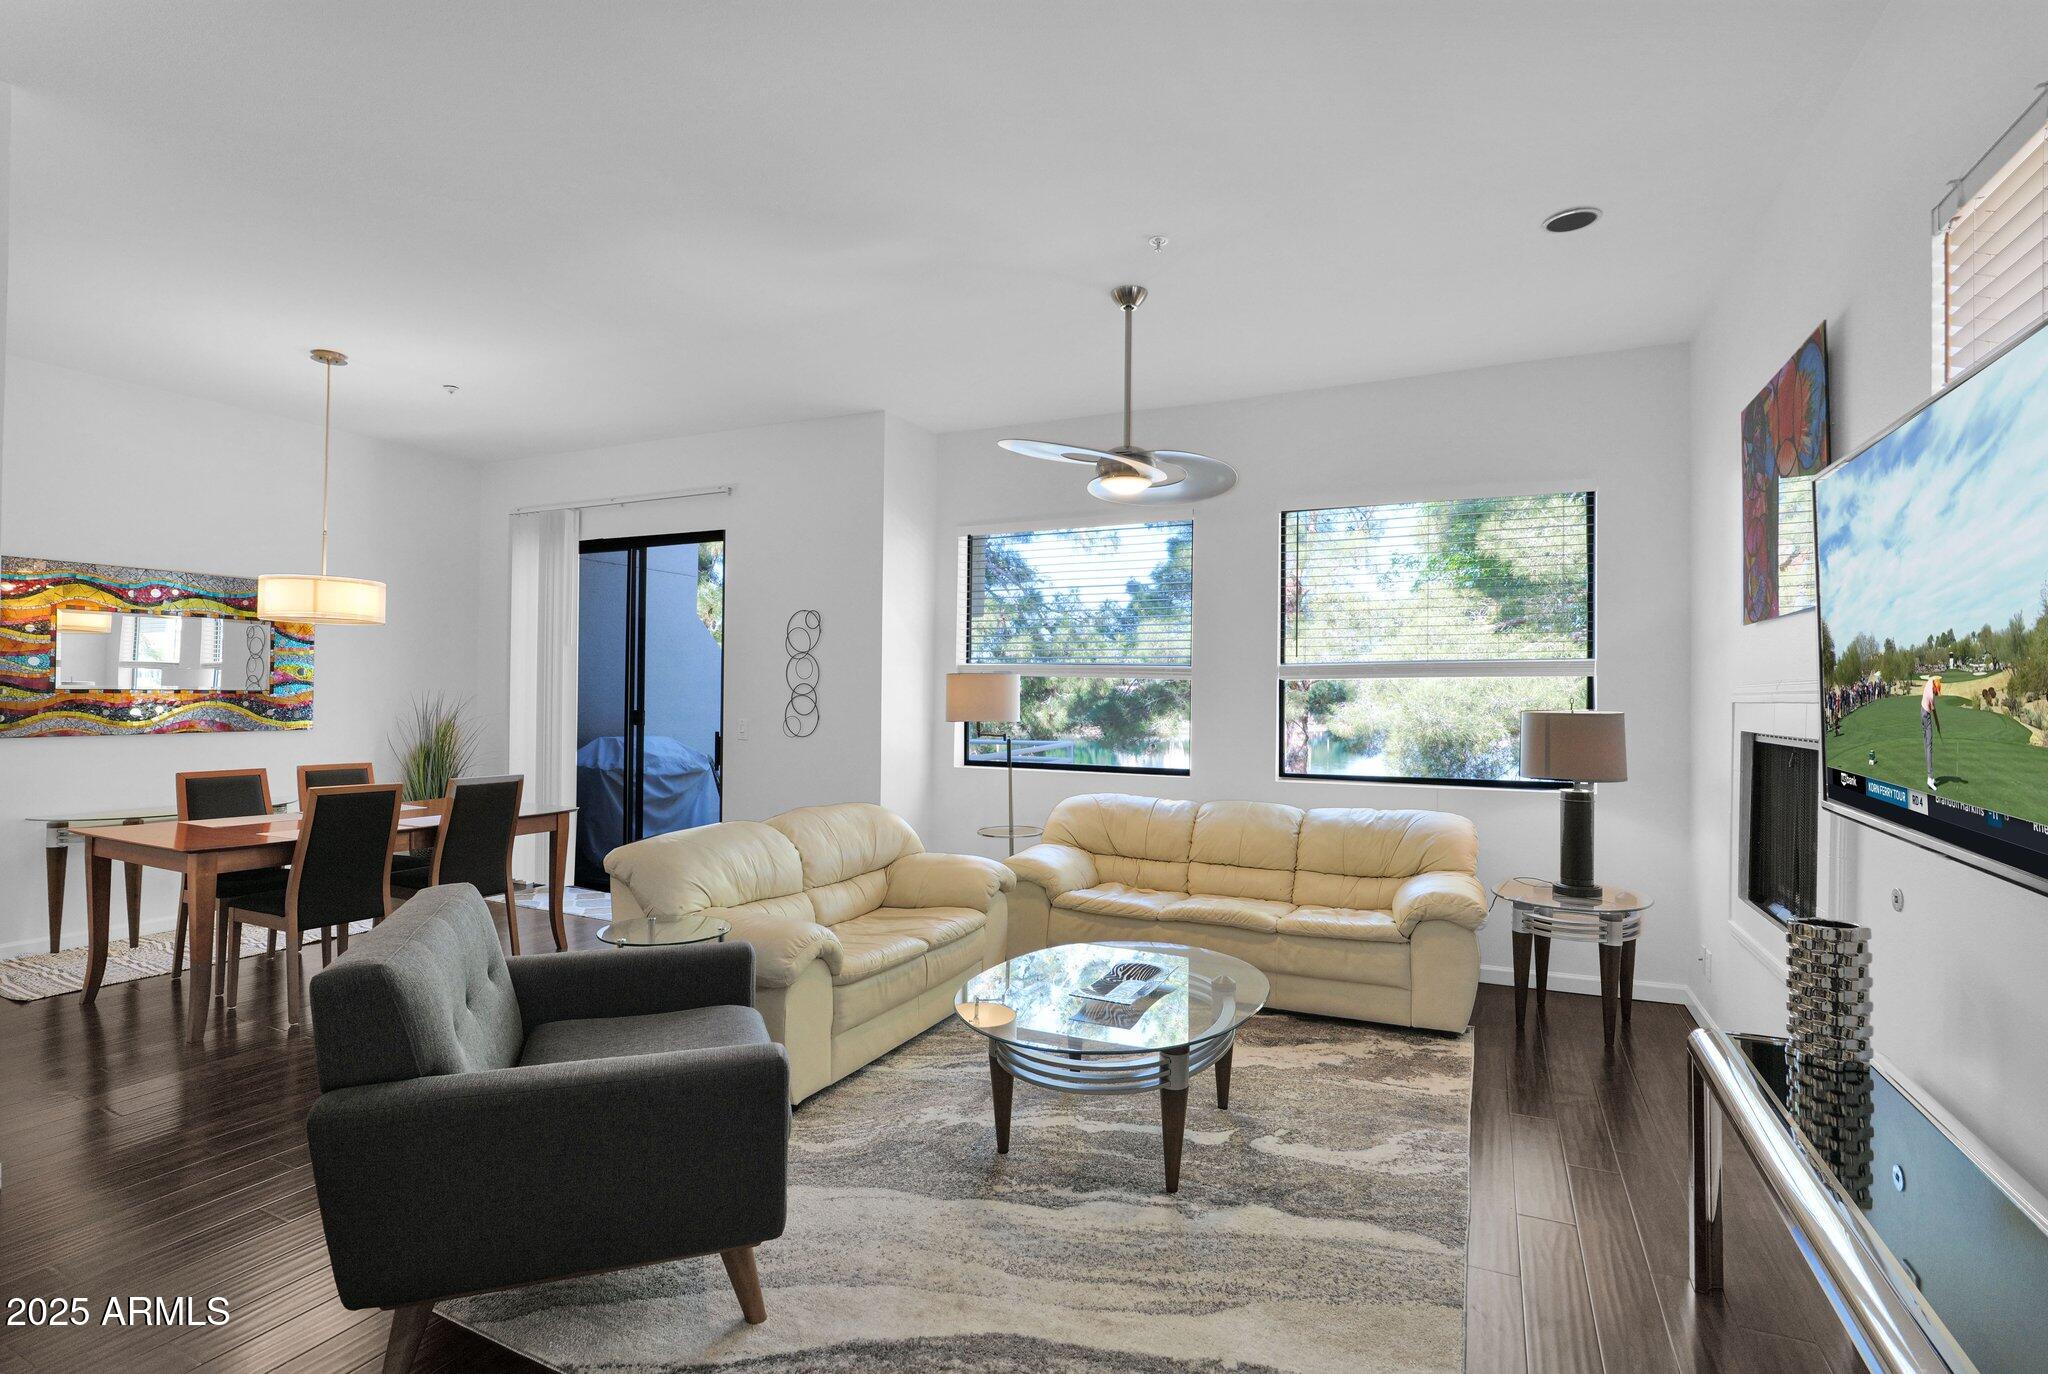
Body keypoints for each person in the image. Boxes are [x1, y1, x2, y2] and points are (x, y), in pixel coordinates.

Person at [1922, 674, 1942, 792]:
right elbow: (1933, 713)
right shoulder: (1931, 697)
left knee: (1926, 744)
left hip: (1921, 712)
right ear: (1934, 687)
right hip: (1926, 715)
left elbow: (1933, 678)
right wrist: (1938, 725)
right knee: (1929, 746)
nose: (1936, 693)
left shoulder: (1930, 682)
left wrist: (1937, 679)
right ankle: (1930, 778)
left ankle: (1929, 775)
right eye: (1936, 691)